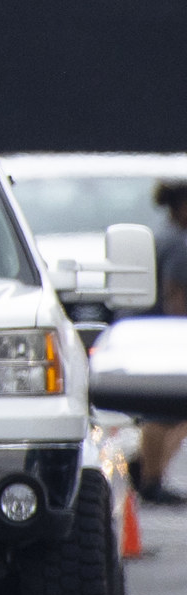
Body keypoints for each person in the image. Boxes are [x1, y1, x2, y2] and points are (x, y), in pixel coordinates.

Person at [136, 182, 187, 504]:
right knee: (165, 412)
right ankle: (150, 477)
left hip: (144, 329)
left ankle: (145, 470)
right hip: (162, 334)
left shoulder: (162, 237)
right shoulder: (179, 244)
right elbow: (175, 296)